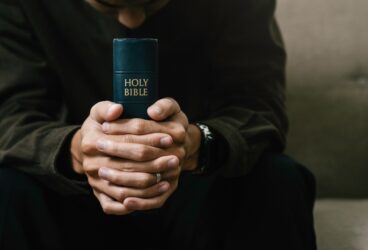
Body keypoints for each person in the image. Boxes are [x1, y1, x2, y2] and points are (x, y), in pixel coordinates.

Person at [0, 0, 317, 249]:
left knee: (279, 178)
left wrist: (196, 144)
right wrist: (77, 151)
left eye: (151, 3)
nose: (132, 21)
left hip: (200, 190)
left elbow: (260, 107)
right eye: (108, 5)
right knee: (7, 187)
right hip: (71, 196)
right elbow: (11, 113)